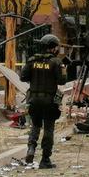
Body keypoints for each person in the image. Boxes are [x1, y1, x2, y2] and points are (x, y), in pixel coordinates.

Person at [21, 34, 66, 169]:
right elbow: (62, 81)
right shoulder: (56, 62)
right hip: (49, 101)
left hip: (34, 100)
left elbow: (23, 77)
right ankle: (45, 159)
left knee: (35, 126)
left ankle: (31, 149)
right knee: (48, 128)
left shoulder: (31, 60)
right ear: (52, 47)